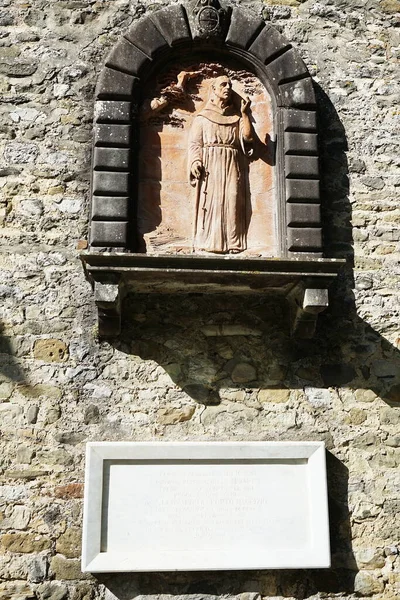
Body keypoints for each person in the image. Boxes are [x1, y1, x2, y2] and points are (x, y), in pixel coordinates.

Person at [189, 75, 254, 254]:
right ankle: (209, 242)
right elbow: (195, 144)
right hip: (210, 163)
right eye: (223, 85)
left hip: (232, 162)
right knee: (211, 201)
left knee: (232, 198)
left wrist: (244, 113)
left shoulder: (236, 116)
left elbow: (247, 138)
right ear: (214, 90)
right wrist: (195, 161)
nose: (227, 88)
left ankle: (233, 242)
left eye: (230, 85)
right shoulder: (202, 117)